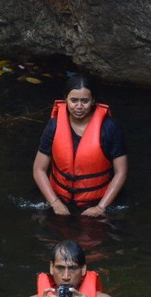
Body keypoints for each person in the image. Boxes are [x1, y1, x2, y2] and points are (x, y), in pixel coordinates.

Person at [32, 74, 127, 217]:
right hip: (59, 200)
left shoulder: (109, 128)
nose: (79, 106)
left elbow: (121, 172)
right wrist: (55, 202)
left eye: (85, 101)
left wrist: (101, 207)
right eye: (74, 100)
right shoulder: (54, 125)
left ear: (93, 101)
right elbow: (39, 169)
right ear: (66, 100)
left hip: (97, 202)